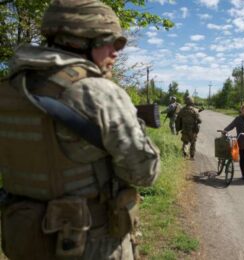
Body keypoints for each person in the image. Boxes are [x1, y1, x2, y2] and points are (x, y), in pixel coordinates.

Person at [0, 0, 160, 259]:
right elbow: (144, 174)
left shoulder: (8, 90)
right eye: (112, 41)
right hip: (92, 243)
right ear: (80, 41)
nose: (117, 51)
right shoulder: (98, 92)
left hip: (25, 240)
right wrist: (138, 130)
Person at [222, 104, 244, 180]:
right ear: (241, 111)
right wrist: (225, 130)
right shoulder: (238, 119)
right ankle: (243, 174)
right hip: (241, 143)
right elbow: (231, 125)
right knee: (242, 159)